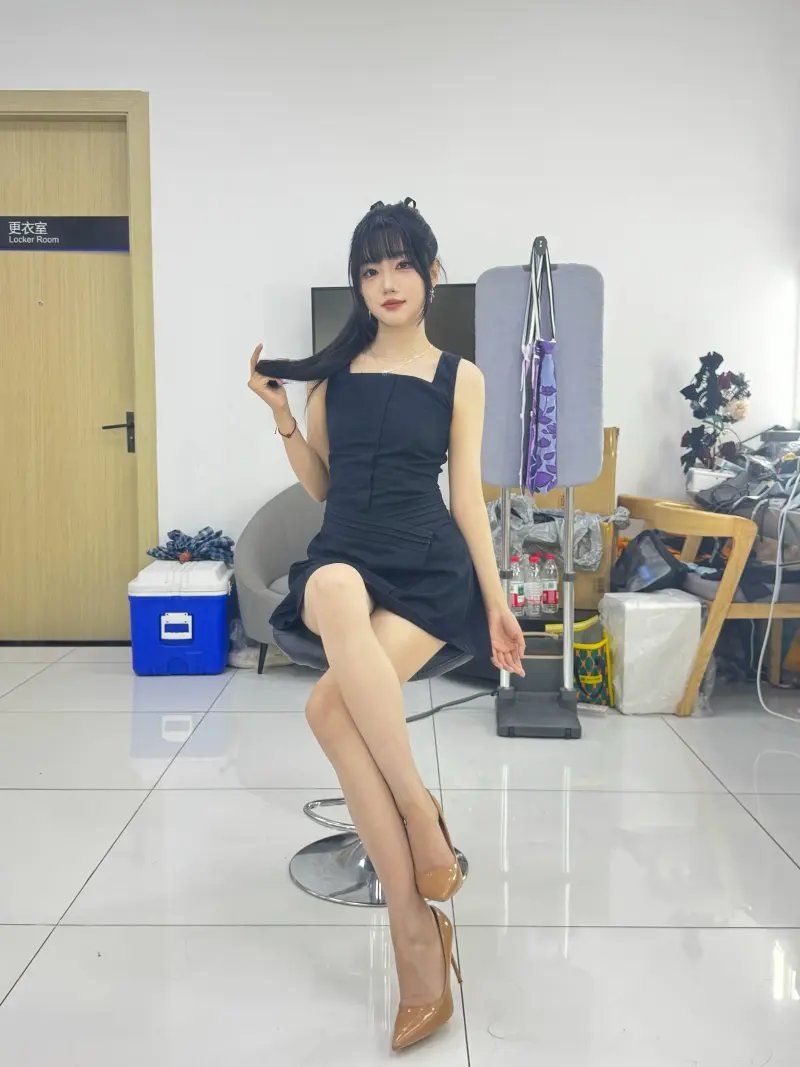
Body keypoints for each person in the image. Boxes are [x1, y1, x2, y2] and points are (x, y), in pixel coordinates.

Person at [248, 198, 525, 1052]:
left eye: (402, 265)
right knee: (332, 585)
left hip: (426, 568)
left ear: (432, 273)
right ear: (359, 285)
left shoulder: (459, 377)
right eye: (370, 270)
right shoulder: (334, 376)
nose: (387, 282)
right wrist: (282, 415)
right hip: (345, 556)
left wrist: (496, 597)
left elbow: (467, 499)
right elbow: (325, 486)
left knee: (327, 709)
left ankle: (415, 924)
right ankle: (418, 818)